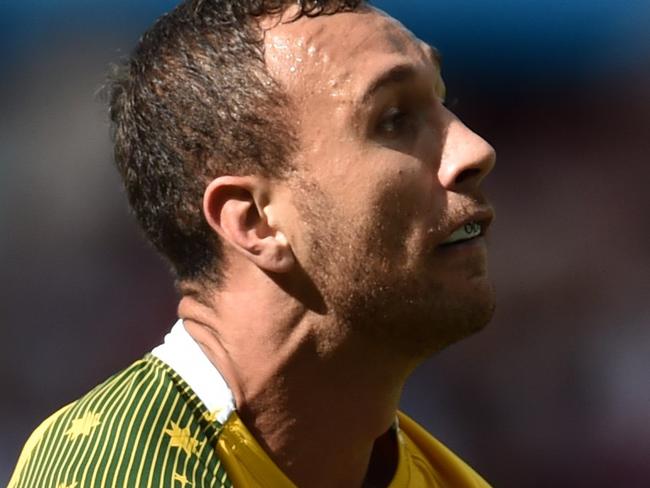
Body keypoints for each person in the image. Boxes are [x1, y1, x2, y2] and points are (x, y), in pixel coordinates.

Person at [9, 0, 496, 486]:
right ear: (255, 221)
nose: (476, 150)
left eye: (443, 101)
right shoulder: (114, 468)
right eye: (393, 119)